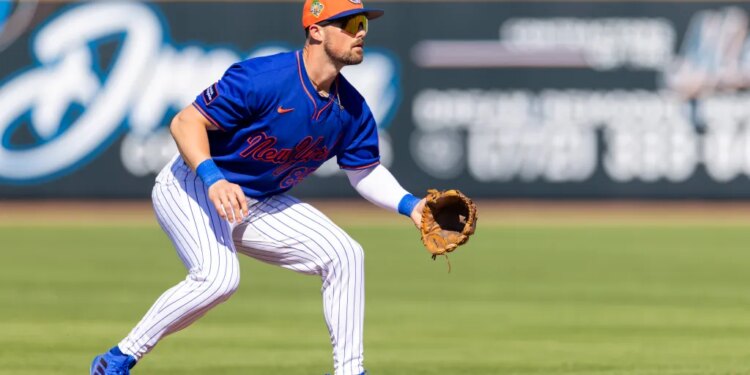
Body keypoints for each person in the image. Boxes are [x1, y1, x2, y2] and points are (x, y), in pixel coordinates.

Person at [90, 1, 426, 374]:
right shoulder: (265, 78)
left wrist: (411, 205)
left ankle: (350, 371)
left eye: (364, 23)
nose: (361, 31)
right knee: (218, 278)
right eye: (350, 23)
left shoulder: (353, 109)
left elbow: (364, 171)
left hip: (259, 201)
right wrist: (213, 178)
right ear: (315, 30)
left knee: (345, 255)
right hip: (192, 186)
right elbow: (185, 123)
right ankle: (116, 360)